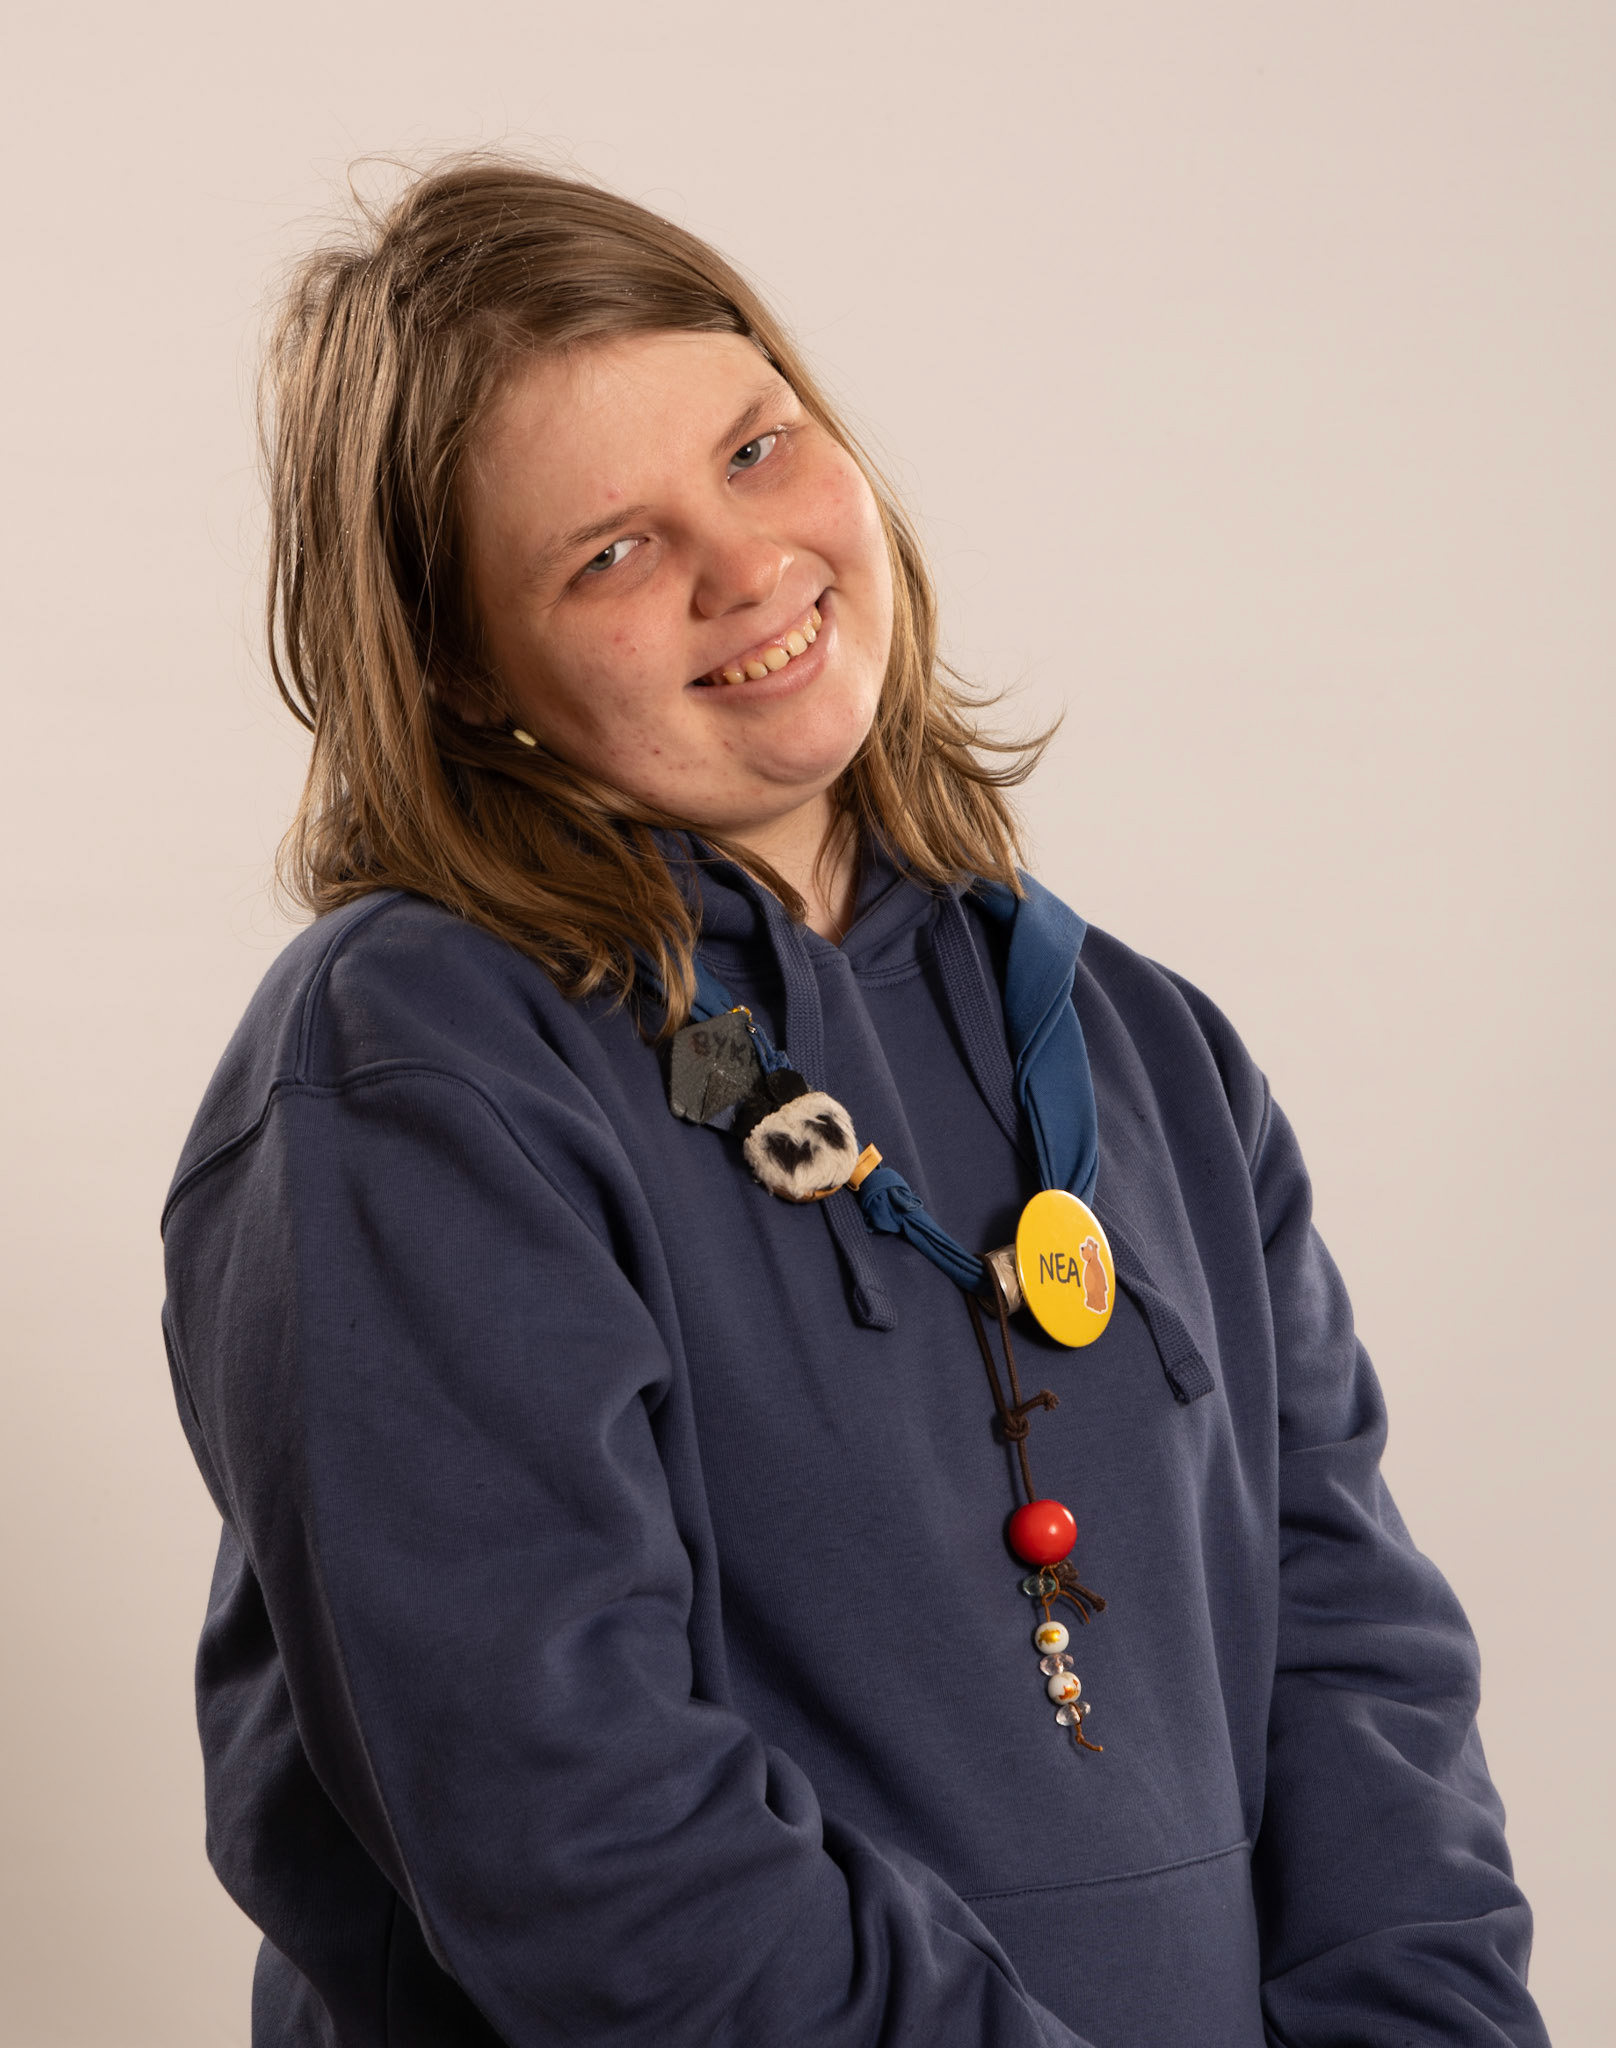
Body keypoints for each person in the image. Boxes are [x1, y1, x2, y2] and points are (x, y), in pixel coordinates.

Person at [161, 157, 1549, 2048]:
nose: (747, 568)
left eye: (756, 450)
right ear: (463, 670)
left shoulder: (1148, 1045)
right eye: (609, 552)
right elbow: (572, 1830)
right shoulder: (415, 1067)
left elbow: (1360, 1664)